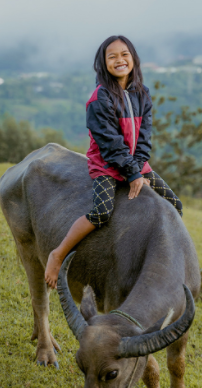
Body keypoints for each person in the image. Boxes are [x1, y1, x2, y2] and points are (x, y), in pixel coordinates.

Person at [44, 35, 182, 289]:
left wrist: (138, 167)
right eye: (112, 56)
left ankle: (160, 265)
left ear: (133, 59)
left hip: (135, 163)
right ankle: (59, 253)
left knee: (175, 205)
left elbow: (144, 137)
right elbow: (110, 144)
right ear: (102, 63)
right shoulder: (100, 98)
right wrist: (131, 174)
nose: (120, 60)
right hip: (107, 164)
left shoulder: (142, 94)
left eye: (125, 54)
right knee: (102, 212)